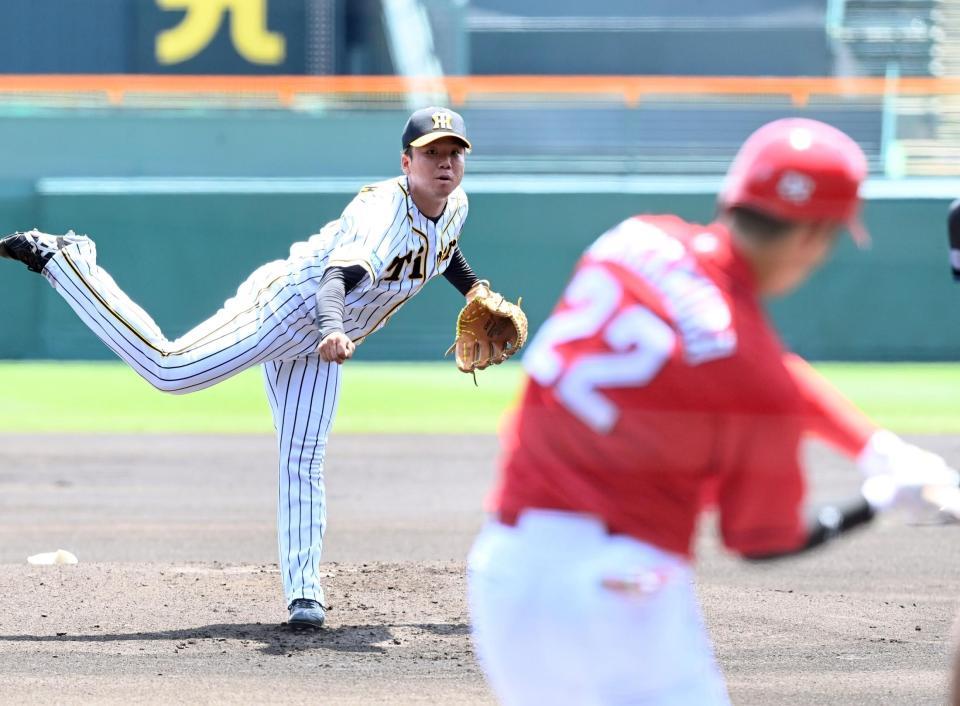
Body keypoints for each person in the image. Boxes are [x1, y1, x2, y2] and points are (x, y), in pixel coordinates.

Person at [466, 118, 960, 705]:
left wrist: (876, 448)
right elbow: (759, 541)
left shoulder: (632, 241)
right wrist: (876, 501)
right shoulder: (756, 380)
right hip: (625, 593)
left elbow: (752, 361)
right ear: (814, 238)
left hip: (506, 575)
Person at [1, 106, 500, 630]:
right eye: (432, 153)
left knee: (304, 456)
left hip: (323, 341)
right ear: (406, 161)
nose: (444, 163)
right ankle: (66, 261)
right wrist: (332, 328)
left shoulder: (455, 203)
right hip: (287, 308)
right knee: (169, 371)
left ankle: (304, 595)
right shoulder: (380, 215)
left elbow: (443, 249)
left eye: (453, 153)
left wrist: (474, 290)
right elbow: (335, 279)